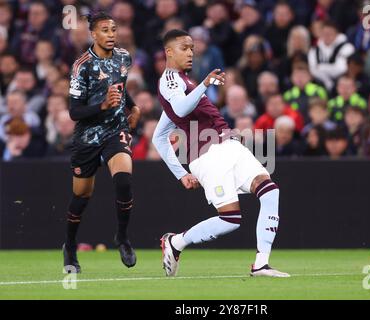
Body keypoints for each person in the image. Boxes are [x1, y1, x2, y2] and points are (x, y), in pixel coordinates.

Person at [152, 29, 289, 278]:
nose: (191, 52)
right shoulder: (170, 80)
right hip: (207, 155)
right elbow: (181, 110)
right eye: (185, 48)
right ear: (169, 52)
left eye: (192, 47)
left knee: (269, 190)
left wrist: (180, 174)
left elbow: (160, 135)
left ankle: (261, 263)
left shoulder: (183, 84)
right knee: (230, 219)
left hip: (228, 145)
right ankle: (176, 242)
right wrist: (205, 84)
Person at [63, 12, 141, 273]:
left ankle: (122, 236)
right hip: (87, 137)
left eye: (114, 30)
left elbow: (119, 86)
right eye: (105, 30)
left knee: (123, 180)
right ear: (93, 34)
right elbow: (74, 112)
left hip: (115, 131)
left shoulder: (123, 57)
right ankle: (70, 245)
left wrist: (133, 107)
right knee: (81, 196)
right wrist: (103, 105)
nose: (111, 35)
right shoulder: (81, 65)